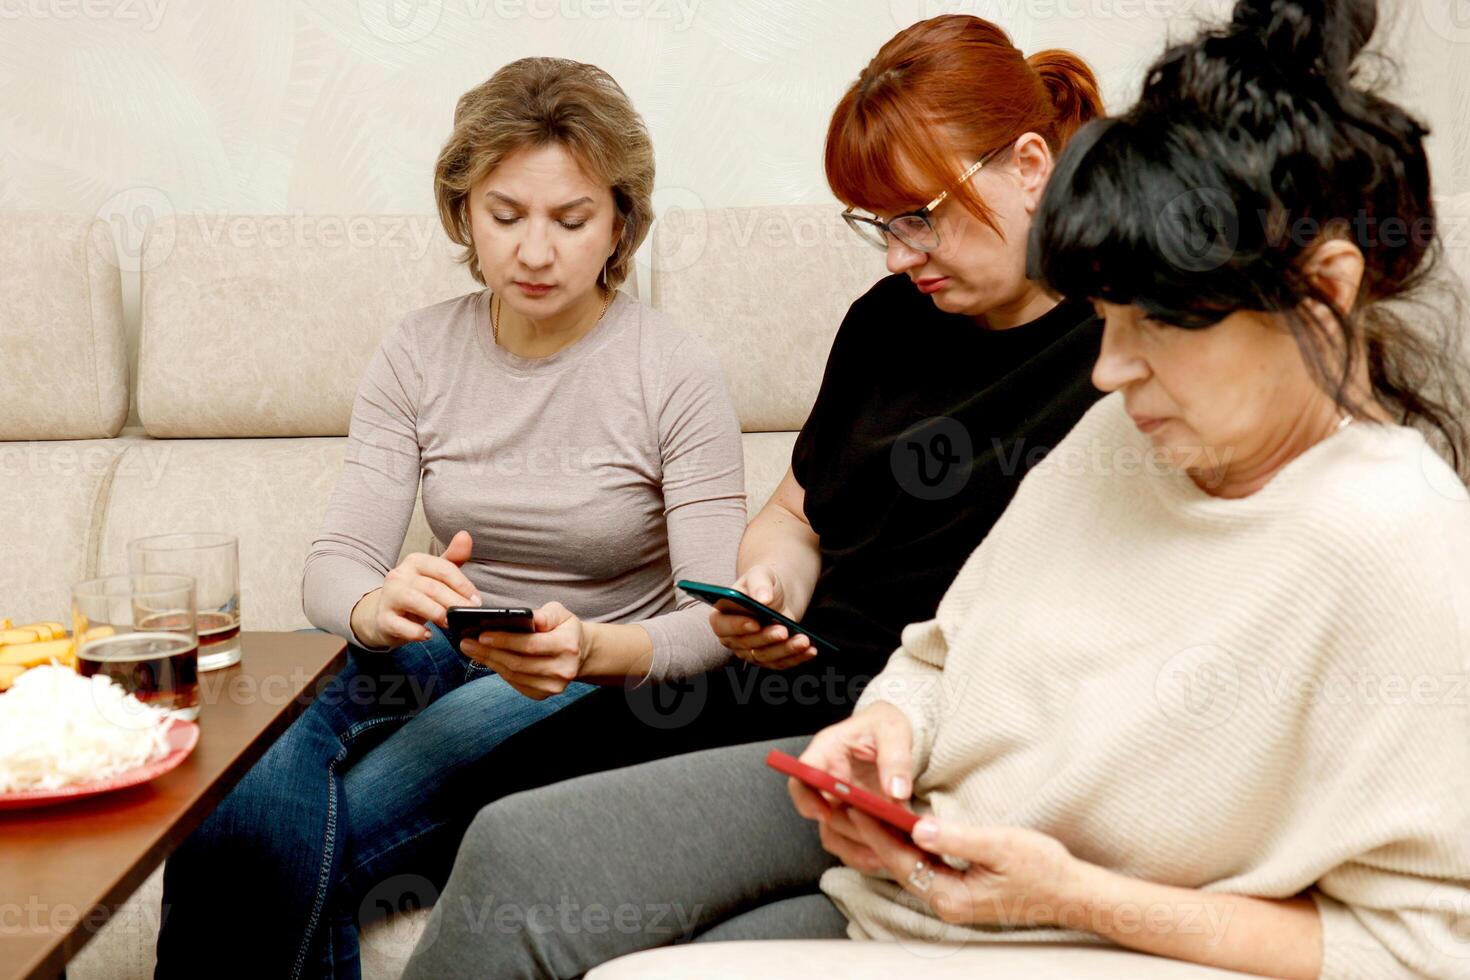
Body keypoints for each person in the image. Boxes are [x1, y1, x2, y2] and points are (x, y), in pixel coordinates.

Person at [402, 0, 1470, 976]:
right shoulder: (1125, 436)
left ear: (1325, 293)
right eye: (1114, 317)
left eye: (1157, 323)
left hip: (1032, 910)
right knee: (526, 850)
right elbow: (941, 650)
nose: (1109, 364)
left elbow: (1420, 947)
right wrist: (893, 728)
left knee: (537, 865)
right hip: (907, 851)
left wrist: (1074, 893)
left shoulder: (1399, 546)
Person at [374, 14, 1109, 874]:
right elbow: (794, 516)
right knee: (480, 798)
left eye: (919, 218)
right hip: (769, 685)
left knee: (511, 836)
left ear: (1028, 168)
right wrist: (772, 589)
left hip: (881, 725)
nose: (898, 257)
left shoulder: (1119, 350)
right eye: (879, 225)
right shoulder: (888, 322)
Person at [154, 57, 746, 980]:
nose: (535, 251)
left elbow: (718, 617)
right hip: (438, 646)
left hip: (578, 678)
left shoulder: (673, 369)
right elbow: (335, 562)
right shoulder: (419, 349)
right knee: (249, 760)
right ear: (464, 212)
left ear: (622, 221)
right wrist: (375, 603)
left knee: (269, 835)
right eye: (505, 216)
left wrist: (589, 646)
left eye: (572, 219)